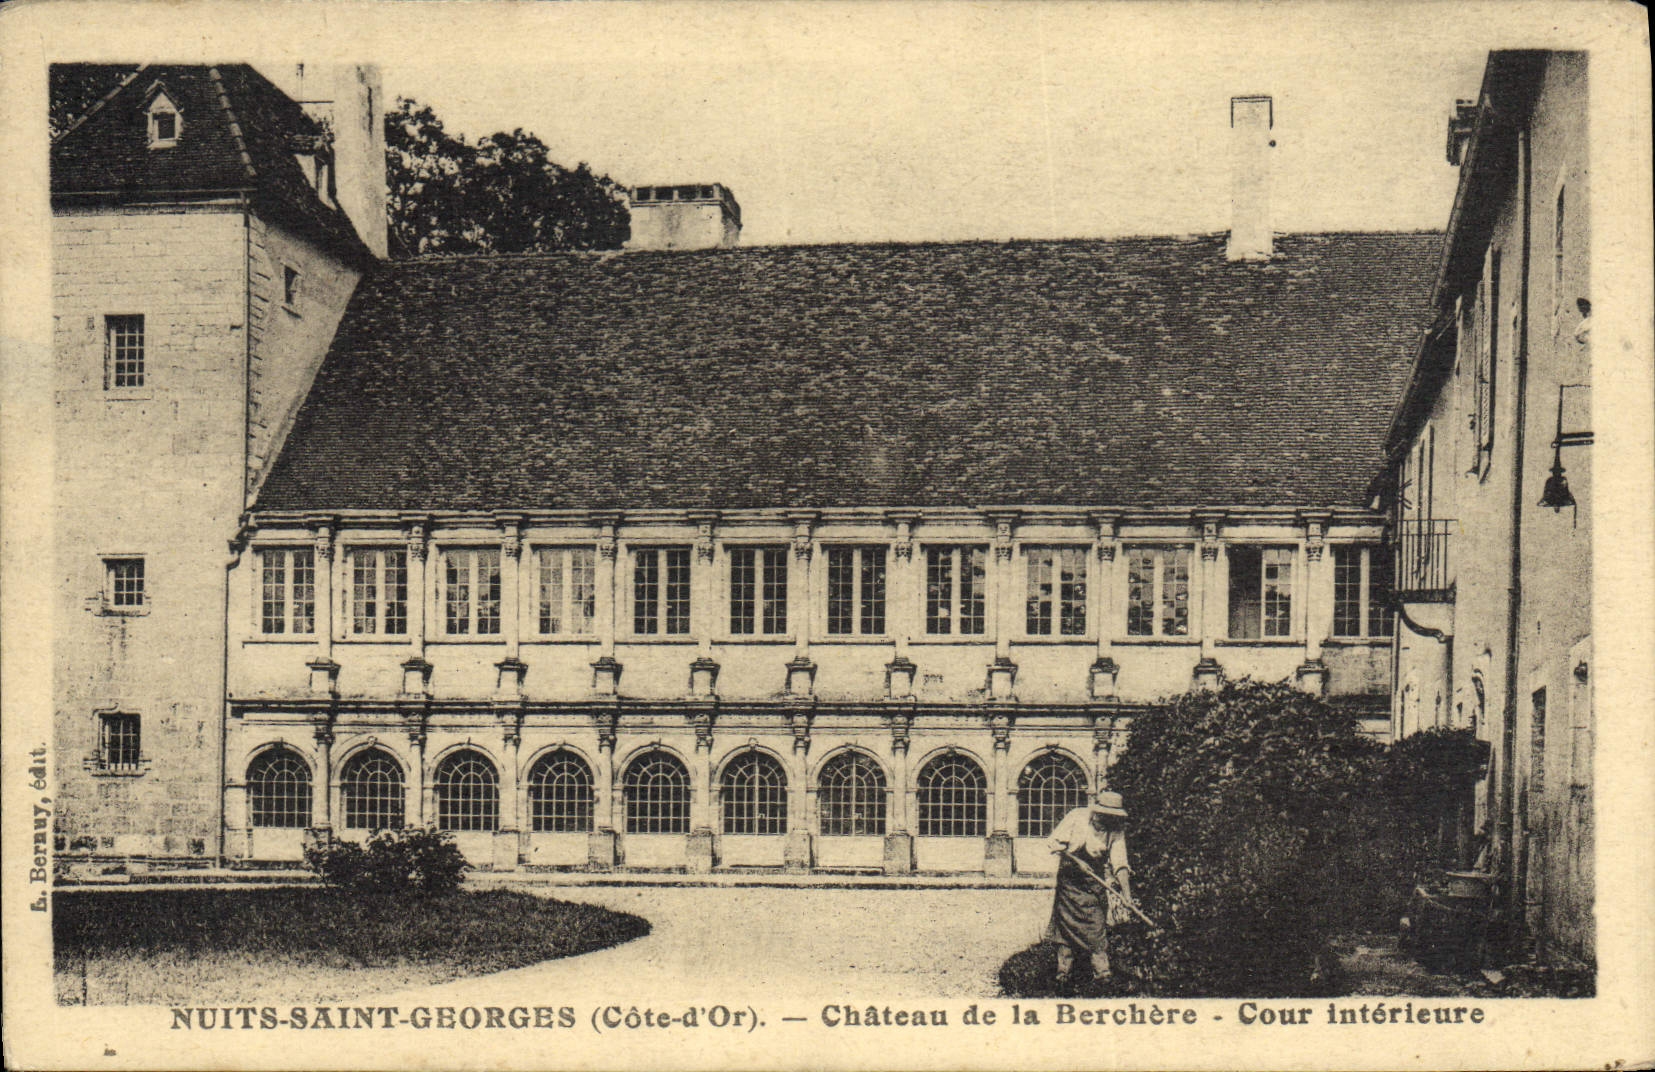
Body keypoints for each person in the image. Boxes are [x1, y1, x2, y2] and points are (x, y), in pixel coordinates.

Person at [1045, 788, 1134, 983]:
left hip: (1093, 883)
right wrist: (1077, 861)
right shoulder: (1077, 817)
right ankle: (1063, 972)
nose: (1107, 819)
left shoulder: (1116, 831)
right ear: (1097, 811)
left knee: (1096, 925)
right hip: (1070, 881)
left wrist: (1127, 895)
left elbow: (1120, 864)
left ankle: (1102, 973)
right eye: (1104, 815)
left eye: (1112, 816)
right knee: (1065, 929)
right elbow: (1054, 843)